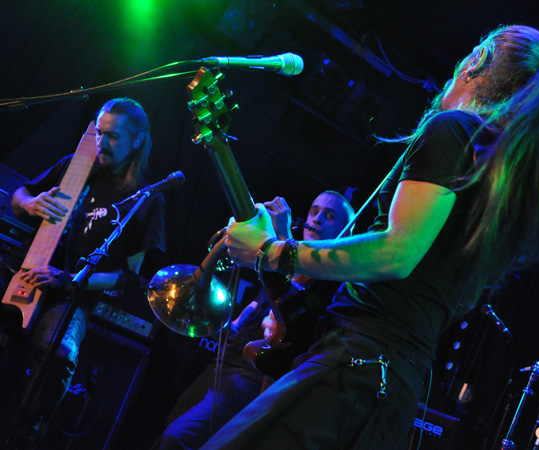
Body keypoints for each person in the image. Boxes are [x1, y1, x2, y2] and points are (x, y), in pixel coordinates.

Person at [209, 24, 539, 449]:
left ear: (476, 62)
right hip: (390, 382)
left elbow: (397, 253)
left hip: (355, 365)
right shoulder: (498, 178)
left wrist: (271, 251)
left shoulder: (454, 129)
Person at [2, 98, 167, 449]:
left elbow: (130, 277)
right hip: (23, 271)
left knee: (60, 355)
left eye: (113, 136)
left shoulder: (146, 199)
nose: (101, 143)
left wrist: (71, 280)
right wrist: (30, 203)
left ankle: (24, 435)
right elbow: (19, 195)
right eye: (99, 133)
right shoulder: (74, 166)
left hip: (71, 299)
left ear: (137, 141)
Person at [152, 190, 355, 450]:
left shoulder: (333, 281)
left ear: (346, 232)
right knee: (170, 426)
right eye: (314, 211)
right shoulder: (283, 257)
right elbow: (253, 309)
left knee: (178, 438)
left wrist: (281, 239)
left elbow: (292, 298)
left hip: (253, 377)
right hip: (227, 362)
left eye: (329, 216)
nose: (316, 219)